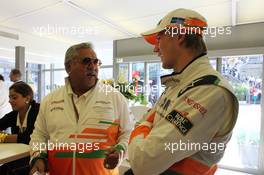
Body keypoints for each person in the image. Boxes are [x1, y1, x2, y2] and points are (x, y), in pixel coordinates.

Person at [127, 8, 239, 175]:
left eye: (159, 39)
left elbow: (144, 161)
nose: (155, 49)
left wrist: (142, 126)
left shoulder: (209, 90)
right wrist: (147, 127)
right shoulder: (179, 83)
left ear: (179, 36)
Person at [29, 42, 133, 175]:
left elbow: (129, 132)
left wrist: (121, 150)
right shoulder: (50, 100)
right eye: (86, 61)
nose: (93, 66)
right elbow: (39, 135)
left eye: (96, 62)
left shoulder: (114, 97)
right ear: (68, 67)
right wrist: (38, 157)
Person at [0, 82, 40, 175]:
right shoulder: (15, 114)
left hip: (38, 157)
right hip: (20, 157)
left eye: (14, 97)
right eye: (9, 97)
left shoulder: (37, 111)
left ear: (27, 98)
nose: (10, 101)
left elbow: (30, 138)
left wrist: (4, 138)